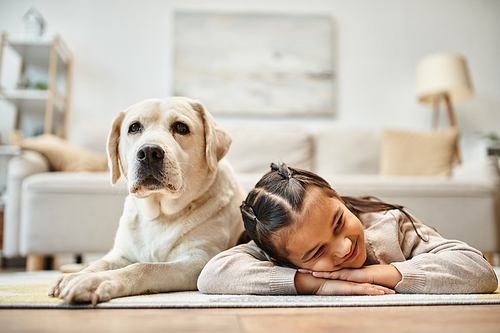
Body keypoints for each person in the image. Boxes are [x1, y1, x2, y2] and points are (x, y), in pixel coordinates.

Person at [197, 163, 498, 295]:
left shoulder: (389, 225)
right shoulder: (276, 249)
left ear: (338, 198)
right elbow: (212, 276)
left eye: (339, 222)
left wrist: (372, 274)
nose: (343, 247)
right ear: (283, 261)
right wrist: (316, 285)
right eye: (316, 252)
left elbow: (478, 270)